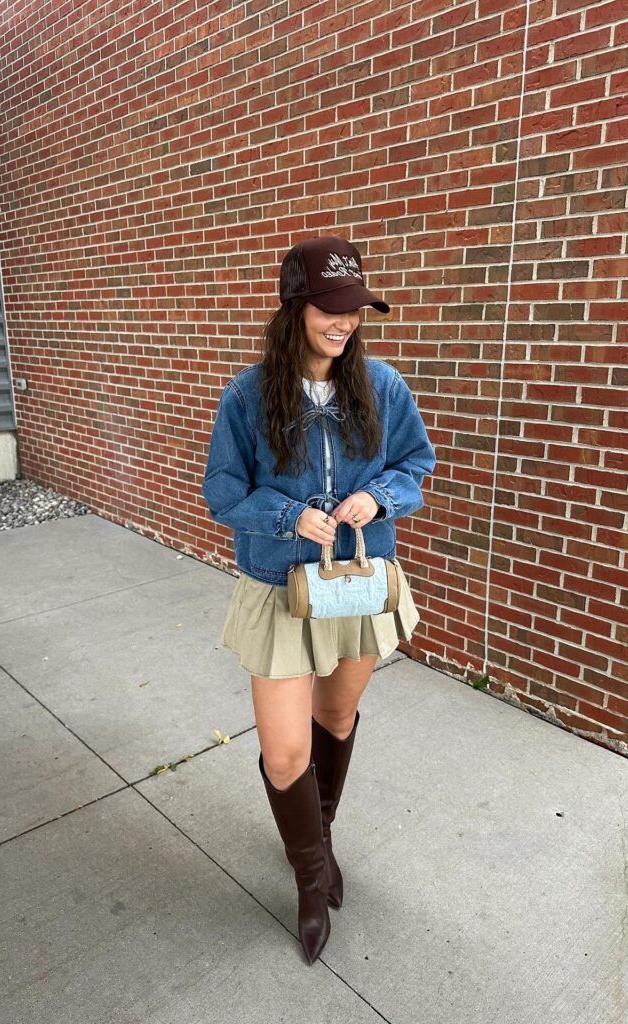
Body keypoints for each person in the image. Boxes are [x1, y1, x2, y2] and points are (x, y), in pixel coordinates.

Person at [202, 235, 437, 965]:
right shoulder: (247, 396)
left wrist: (378, 494)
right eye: (331, 308)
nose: (345, 322)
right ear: (295, 305)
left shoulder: (384, 387)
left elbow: (415, 466)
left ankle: (320, 839)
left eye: (356, 309)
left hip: (359, 586)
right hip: (279, 589)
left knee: (335, 717)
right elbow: (221, 492)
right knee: (284, 752)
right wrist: (283, 514)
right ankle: (310, 878)